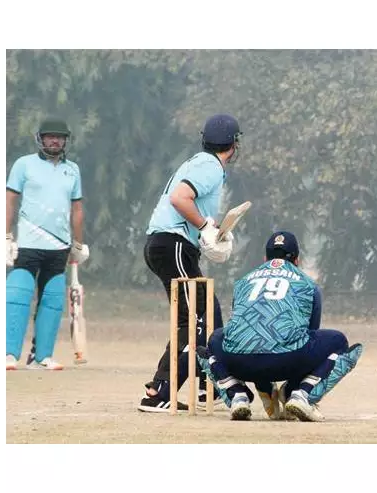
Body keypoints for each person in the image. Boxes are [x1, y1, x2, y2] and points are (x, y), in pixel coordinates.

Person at [195, 231, 363, 421]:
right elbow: (310, 332)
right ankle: (302, 394)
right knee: (338, 341)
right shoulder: (307, 283)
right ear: (297, 260)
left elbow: (243, 328)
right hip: (288, 361)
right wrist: (293, 382)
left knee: (216, 338)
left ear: (265, 258)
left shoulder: (243, 282)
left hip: (240, 363)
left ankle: (236, 395)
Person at [137, 114, 240, 413]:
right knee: (197, 318)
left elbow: (187, 203)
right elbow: (180, 199)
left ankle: (211, 384)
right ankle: (161, 390)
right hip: (173, 244)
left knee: (208, 311)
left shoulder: (199, 162)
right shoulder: (210, 166)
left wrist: (212, 230)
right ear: (234, 144)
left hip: (169, 245)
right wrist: (204, 226)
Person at [6, 117, 90, 370]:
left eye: (59, 137)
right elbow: (9, 200)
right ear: (40, 139)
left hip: (59, 246)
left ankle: (41, 357)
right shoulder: (24, 165)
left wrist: (78, 244)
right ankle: (9, 354)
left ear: (65, 141)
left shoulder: (72, 170)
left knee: (52, 302)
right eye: (50, 136)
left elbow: (77, 209)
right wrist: (5, 236)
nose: (55, 141)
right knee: (17, 297)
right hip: (28, 243)